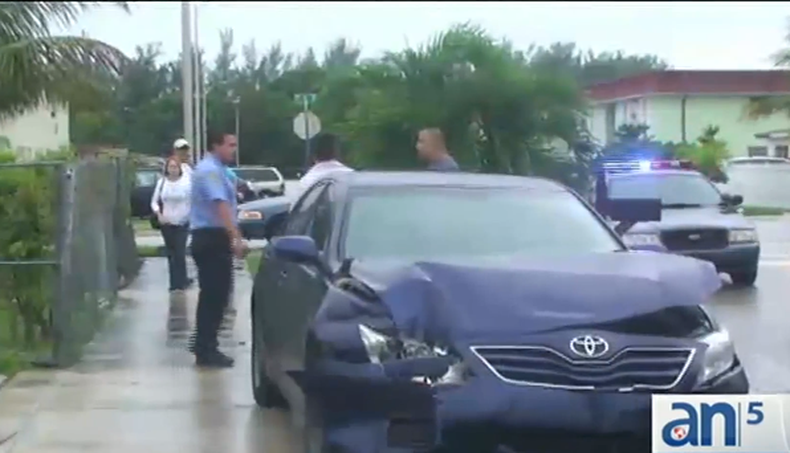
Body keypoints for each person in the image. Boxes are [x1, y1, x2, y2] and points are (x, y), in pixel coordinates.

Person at [189, 130, 247, 368]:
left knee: (217, 295)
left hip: (214, 237)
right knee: (214, 296)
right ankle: (206, 347)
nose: (234, 149)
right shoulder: (209, 171)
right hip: (210, 237)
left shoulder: (218, 169)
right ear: (215, 145)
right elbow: (220, 205)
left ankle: (204, 342)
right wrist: (235, 238)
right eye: (230, 145)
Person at [150, 157, 191, 292]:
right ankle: (174, 283)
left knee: (179, 252)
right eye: (170, 167)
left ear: (179, 169)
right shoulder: (162, 183)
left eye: (175, 167)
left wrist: (188, 216)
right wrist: (159, 214)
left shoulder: (186, 183)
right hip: (166, 223)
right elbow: (154, 202)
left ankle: (181, 281)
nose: (173, 170)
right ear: (166, 169)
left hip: (182, 223)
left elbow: (192, 201)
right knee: (171, 253)